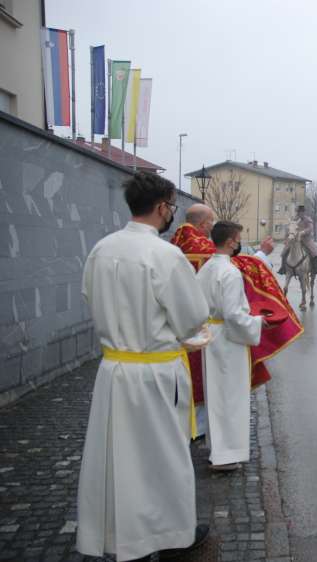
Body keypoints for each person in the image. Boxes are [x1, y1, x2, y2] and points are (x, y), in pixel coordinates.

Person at [76, 172, 211, 561]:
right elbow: (191, 318)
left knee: (117, 458)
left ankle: (122, 535)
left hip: (114, 370)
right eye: (171, 206)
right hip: (155, 371)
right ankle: (171, 533)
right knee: (164, 456)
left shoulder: (101, 249)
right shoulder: (165, 255)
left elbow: (90, 296)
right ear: (161, 207)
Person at [171, 205, 304, 439]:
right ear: (203, 225)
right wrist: (259, 322)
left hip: (196, 329)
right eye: (211, 222)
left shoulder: (179, 244)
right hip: (221, 334)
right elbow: (236, 273)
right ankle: (216, 442)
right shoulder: (205, 252)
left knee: (310, 251)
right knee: (225, 392)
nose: (213, 227)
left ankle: (206, 434)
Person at [196, 221, 265, 472]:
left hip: (210, 335)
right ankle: (227, 455)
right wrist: (257, 322)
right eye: (237, 239)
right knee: (230, 397)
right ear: (229, 242)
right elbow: (234, 315)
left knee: (214, 395)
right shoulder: (231, 272)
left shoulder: (205, 268)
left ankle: (217, 448)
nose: (239, 244)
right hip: (227, 338)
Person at [280, 205, 317, 275]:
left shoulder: (308, 220)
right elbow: (289, 229)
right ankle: (283, 268)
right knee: (284, 252)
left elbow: (310, 228)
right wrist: (286, 238)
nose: (300, 213)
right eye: (299, 212)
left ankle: (316, 268)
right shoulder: (294, 219)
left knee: (314, 251)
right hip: (295, 240)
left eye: (302, 212)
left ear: (304, 212)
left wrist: (303, 232)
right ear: (298, 212)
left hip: (306, 240)